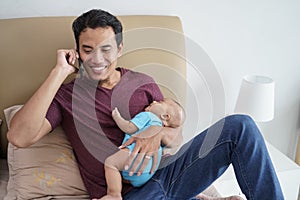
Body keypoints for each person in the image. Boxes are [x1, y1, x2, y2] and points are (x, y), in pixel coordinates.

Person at [7, 9, 284, 200]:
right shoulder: (66, 96)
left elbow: (176, 137)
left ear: (120, 48)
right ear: (77, 51)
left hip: (170, 174)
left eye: (106, 49)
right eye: (87, 50)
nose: (97, 59)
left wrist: (158, 135)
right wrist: (58, 73)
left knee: (241, 126)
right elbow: (19, 136)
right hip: (129, 195)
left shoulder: (142, 83)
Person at [101, 98, 185, 200]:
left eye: (160, 102)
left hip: (135, 158)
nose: (154, 101)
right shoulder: (161, 132)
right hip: (148, 174)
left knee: (110, 163)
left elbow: (128, 127)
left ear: (165, 116)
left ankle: (114, 195)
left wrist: (117, 117)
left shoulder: (148, 116)